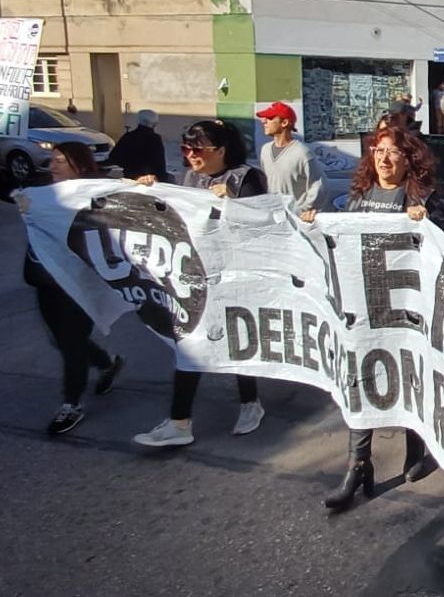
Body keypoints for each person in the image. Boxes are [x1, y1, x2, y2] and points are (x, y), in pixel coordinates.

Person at [323, 122, 444, 512]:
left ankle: (417, 446)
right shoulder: (359, 196)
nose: (383, 158)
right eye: (377, 151)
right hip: (364, 308)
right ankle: (357, 464)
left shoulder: (424, 197)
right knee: (360, 379)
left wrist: (426, 222)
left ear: (408, 159)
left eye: (393, 152)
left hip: (408, 312)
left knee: (409, 377)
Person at [132, 120, 267, 447]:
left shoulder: (246, 177)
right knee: (190, 345)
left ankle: (251, 403)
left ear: (221, 150)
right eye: (185, 149)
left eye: (198, 149)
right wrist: (150, 187)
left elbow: (263, 221)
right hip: (194, 276)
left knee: (237, 341)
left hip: (234, 275)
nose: (191, 156)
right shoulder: (188, 178)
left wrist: (233, 200)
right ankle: (179, 422)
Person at [26, 142, 125, 435]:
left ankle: (71, 404)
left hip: (78, 282)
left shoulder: (93, 195)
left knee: (71, 342)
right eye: (52, 160)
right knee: (61, 339)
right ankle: (107, 363)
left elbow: (127, 203)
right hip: (44, 280)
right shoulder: (40, 192)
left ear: (78, 166)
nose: (52, 165)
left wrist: (146, 184)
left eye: (60, 161)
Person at [256, 101, 329, 221]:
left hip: (295, 220)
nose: (264, 121)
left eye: (270, 118)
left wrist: (303, 210)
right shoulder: (265, 150)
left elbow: (319, 185)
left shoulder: (302, 152)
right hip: (273, 218)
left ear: (284, 123)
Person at [108, 109, 168, 181]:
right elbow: (159, 164)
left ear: (138, 121)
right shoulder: (155, 139)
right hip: (148, 180)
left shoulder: (128, 136)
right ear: (155, 123)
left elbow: (114, 158)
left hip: (129, 176)